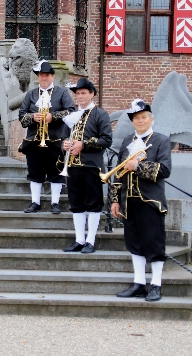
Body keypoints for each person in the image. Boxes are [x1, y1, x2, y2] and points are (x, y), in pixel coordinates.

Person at [110, 99, 172, 302]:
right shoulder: (127, 142)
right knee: (134, 243)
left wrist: (137, 166)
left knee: (153, 243)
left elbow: (164, 170)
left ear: (151, 119)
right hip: (128, 201)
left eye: (144, 117)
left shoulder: (161, 141)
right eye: (136, 118)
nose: (140, 121)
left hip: (151, 201)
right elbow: (118, 174)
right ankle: (138, 283)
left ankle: (156, 285)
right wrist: (114, 200)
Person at [61, 78, 112, 254]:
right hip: (73, 166)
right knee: (76, 204)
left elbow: (106, 139)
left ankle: (90, 240)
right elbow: (63, 138)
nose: (80, 96)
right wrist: (65, 145)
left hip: (91, 166)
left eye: (84, 93)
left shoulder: (100, 114)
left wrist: (83, 144)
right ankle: (79, 240)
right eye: (78, 94)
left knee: (93, 204)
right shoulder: (71, 116)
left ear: (92, 94)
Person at [18, 61, 75, 214]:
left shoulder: (62, 93)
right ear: (38, 77)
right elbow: (22, 117)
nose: (44, 78)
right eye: (41, 75)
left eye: (47, 75)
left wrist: (53, 116)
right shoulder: (30, 94)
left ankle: (55, 203)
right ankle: (35, 202)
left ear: (52, 77)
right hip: (34, 140)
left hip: (55, 139)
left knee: (55, 171)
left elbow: (71, 112)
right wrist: (32, 117)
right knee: (35, 171)